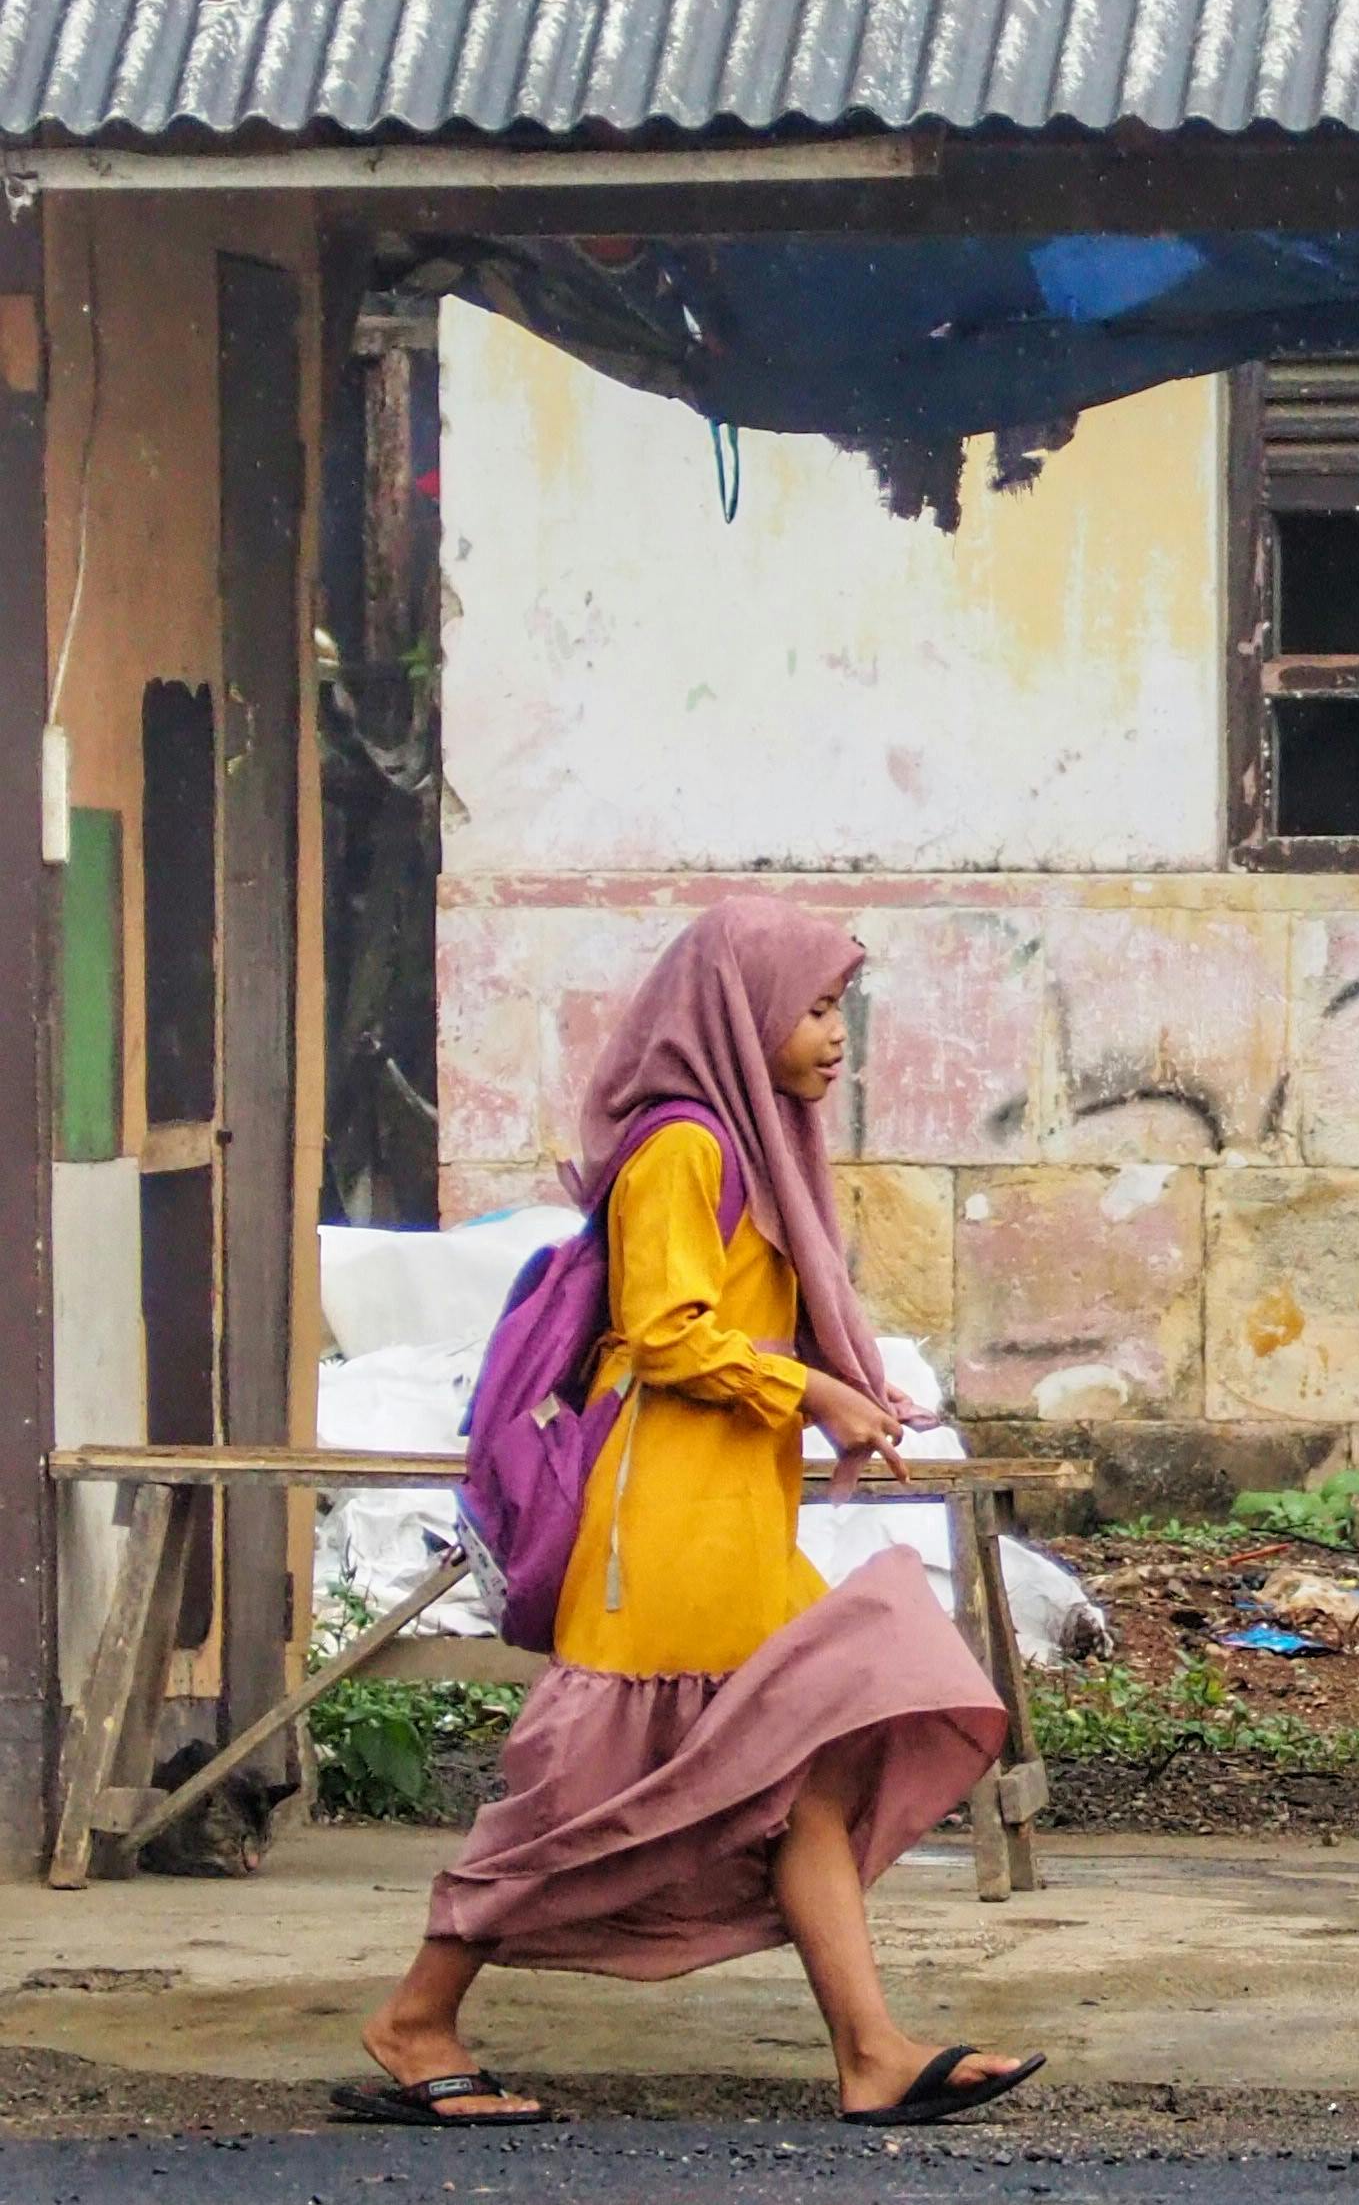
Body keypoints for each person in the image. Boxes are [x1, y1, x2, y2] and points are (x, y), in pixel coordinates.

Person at [345, 902, 1044, 2130]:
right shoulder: (687, 1148)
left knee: (809, 1776)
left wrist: (840, 1394)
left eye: (840, 1009)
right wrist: (813, 1386)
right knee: (588, 1794)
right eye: (816, 1009)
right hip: (660, 1526)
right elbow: (666, 1334)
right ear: (740, 1013)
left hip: (730, 1515)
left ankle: (872, 2051)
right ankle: (415, 2018)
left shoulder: (753, 1144)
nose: (836, 1038)